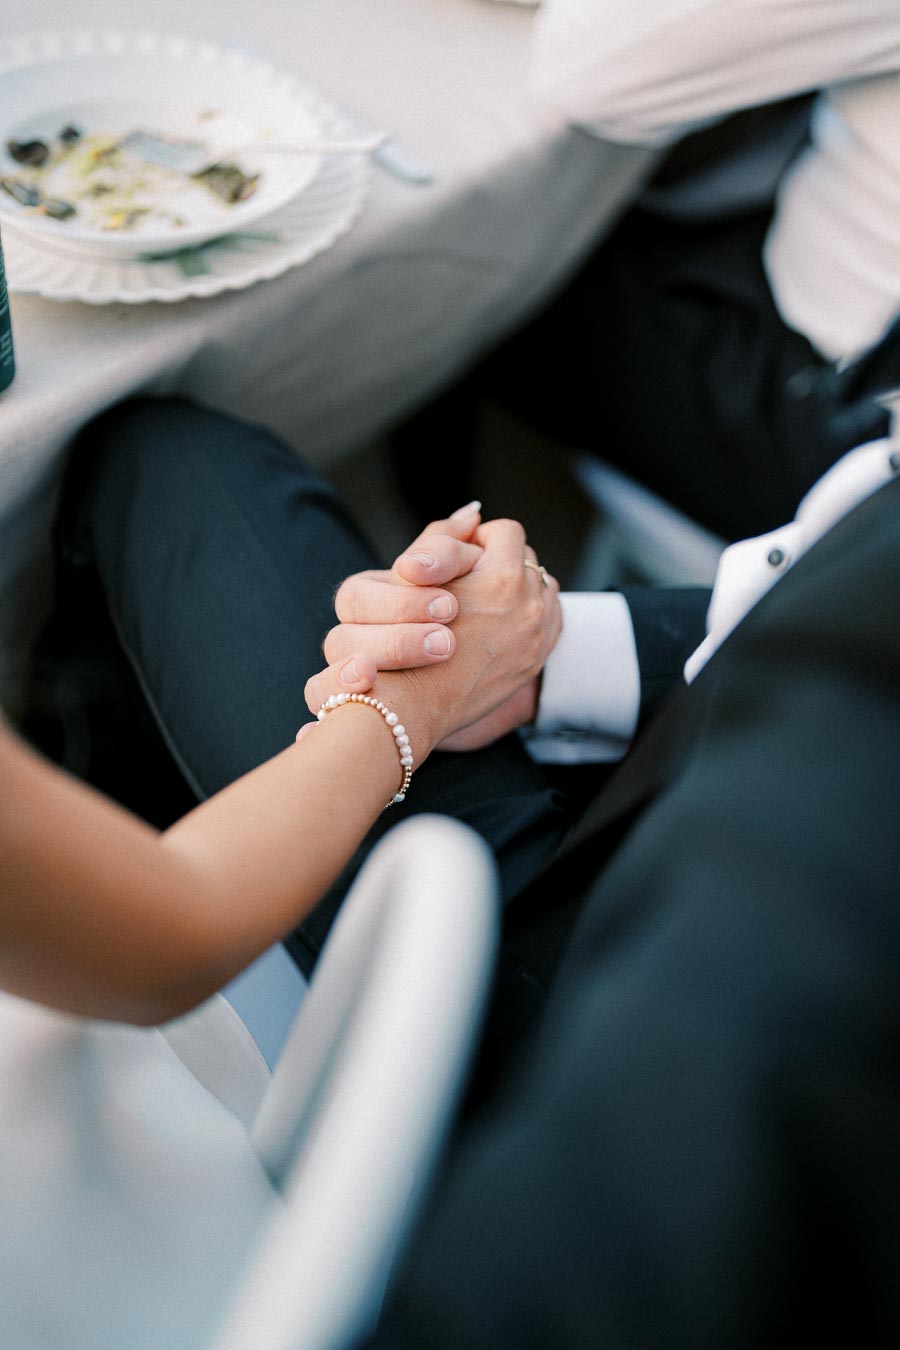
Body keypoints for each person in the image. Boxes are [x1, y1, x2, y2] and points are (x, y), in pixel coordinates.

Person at [394, 0, 900, 542]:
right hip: (812, 268)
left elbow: (594, 72)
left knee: (450, 260)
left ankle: (430, 541)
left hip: (842, 436)